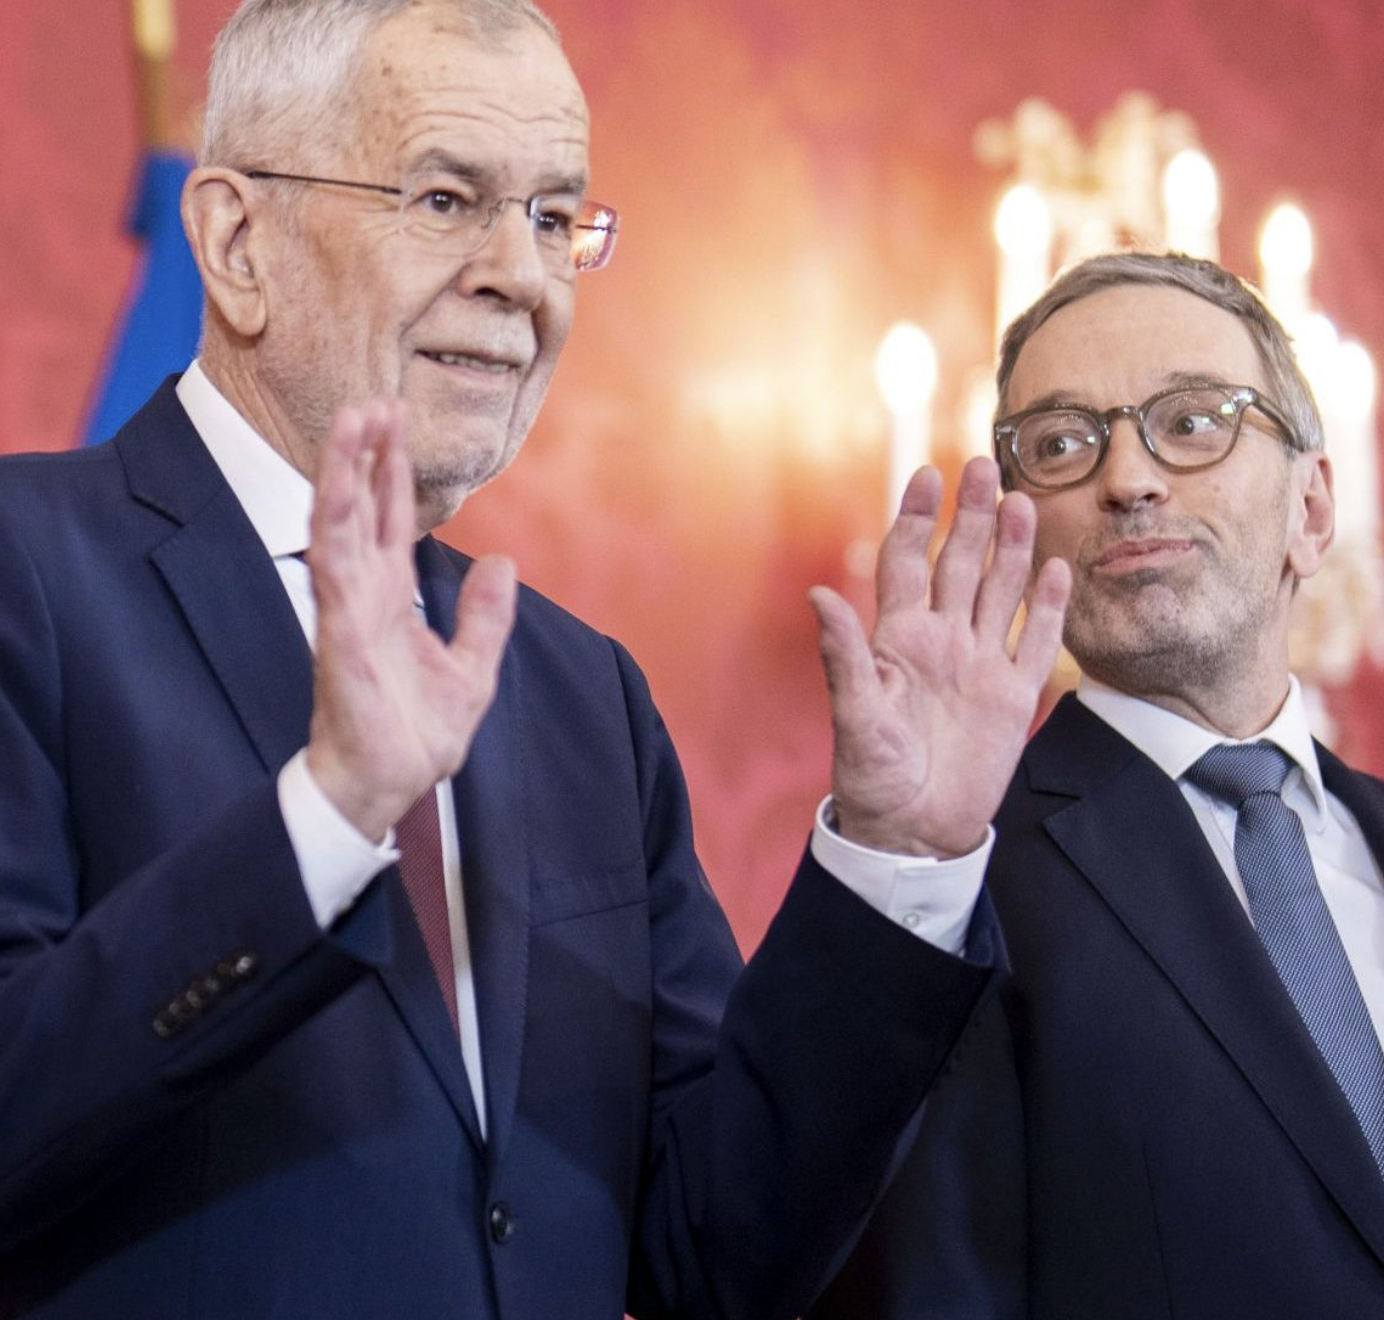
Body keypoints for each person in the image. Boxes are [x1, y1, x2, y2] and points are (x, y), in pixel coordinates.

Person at [0, 2, 1071, 1317]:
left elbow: (711, 1254)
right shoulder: (26, 572)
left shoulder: (580, 694)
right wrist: (328, 818)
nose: (524, 276)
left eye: (556, 218)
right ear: (235, 243)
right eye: (447, 200)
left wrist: (895, 860)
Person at [811, 250, 1384, 1320]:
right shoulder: (953, 890)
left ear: (1312, 510)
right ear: (1018, 531)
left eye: (1194, 421)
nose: (1129, 480)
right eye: (1062, 444)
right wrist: (904, 860)